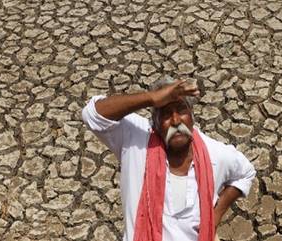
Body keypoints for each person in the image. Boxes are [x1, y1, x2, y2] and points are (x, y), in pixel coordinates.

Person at [82, 77, 256, 241]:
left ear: (192, 117)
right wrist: (152, 98)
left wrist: (215, 217)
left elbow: (245, 173)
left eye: (181, 110)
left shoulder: (214, 154)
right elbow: (92, 114)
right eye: (165, 114)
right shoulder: (137, 139)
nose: (175, 120)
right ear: (155, 123)